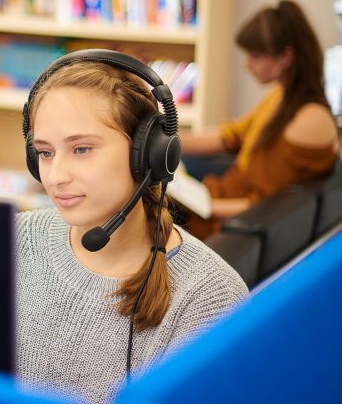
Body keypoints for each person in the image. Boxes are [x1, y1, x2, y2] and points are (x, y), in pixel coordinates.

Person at [17, 50, 247, 403]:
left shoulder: (210, 297)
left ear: (148, 156)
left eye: (81, 149)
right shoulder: (15, 241)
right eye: (45, 153)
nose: (56, 177)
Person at [180, 0, 339, 236]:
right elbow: (231, 136)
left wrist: (198, 207)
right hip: (217, 197)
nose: (247, 65)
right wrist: (170, 139)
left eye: (255, 56)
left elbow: (265, 205)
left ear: (285, 57)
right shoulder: (280, 96)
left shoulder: (308, 122)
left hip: (222, 221)